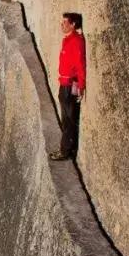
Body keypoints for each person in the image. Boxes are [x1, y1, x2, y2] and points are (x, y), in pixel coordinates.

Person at [49, 12, 86, 161]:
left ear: (73, 24)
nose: (62, 25)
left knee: (69, 120)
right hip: (63, 84)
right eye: (62, 22)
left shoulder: (76, 41)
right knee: (66, 119)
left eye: (65, 22)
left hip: (70, 86)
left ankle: (65, 151)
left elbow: (80, 65)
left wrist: (81, 86)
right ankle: (68, 148)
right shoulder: (68, 40)